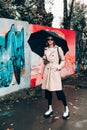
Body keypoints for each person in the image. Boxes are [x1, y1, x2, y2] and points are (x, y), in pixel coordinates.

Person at [42, 36, 70, 119]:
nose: (50, 41)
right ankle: (50, 109)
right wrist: (44, 59)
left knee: (59, 91)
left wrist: (58, 67)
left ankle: (66, 109)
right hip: (47, 71)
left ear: (54, 40)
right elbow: (46, 62)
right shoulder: (45, 49)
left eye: (51, 39)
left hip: (55, 71)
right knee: (48, 91)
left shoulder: (58, 49)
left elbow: (63, 59)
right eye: (48, 39)